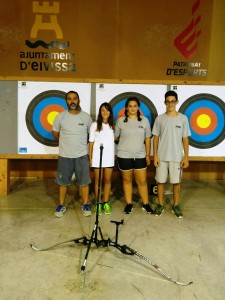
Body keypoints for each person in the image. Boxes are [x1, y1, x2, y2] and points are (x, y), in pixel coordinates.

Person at [52, 91, 93, 217]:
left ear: (79, 100)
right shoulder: (60, 117)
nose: (72, 101)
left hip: (82, 155)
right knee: (63, 182)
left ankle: (85, 204)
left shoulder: (86, 117)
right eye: (69, 99)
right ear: (66, 101)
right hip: (65, 156)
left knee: (84, 182)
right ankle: (61, 205)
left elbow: (90, 136)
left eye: (75, 98)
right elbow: (55, 133)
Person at [152, 90, 191, 218]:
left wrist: (186, 157)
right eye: (168, 101)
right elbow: (156, 137)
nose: (170, 104)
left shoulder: (183, 118)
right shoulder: (160, 118)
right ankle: (160, 204)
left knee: (176, 182)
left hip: (176, 158)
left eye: (172, 101)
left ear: (177, 102)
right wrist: (155, 156)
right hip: (162, 157)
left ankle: (176, 205)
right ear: (164, 102)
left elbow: (185, 139)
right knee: (160, 182)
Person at [114, 96, 154, 214]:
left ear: (138, 108)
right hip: (124, 155)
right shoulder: (121, 121)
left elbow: (147, 139)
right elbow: (115, 137)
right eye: (130, 106)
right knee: (127, 180)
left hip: (140, 155)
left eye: (135, 106)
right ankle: (129, 204)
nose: (132, 108)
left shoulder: (144, 120)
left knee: (142, 181)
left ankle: (146, 204)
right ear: (126, 108)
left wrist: (147, 155)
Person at [89, 102, 115, 215]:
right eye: (103, 110)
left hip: (109, 157)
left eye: (107, 110)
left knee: (108, 180)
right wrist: (90, 158)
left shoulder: (113, 125)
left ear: (110, 112)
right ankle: (98, 203)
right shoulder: (94, 125)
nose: (105, 113)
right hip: (97, 157)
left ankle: (105, 202)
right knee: (98, 181)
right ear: (100, 112)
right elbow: (90, 143)